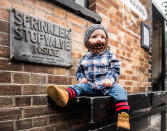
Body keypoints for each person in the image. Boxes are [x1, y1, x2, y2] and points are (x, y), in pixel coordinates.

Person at [47, 24, 130, 130]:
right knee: (79, 86)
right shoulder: (84, 58)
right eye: (94, 37)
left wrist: (110, 79)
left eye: (102, 37)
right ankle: (65, 95)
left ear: (106, 40)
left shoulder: (109, 55)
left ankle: (123, 118)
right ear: (87, 41)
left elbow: (115, 68)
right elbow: (79, 71)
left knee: (120, 90)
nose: (99, 39)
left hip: (107, 86)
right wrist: (81, 78)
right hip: (90, 86)